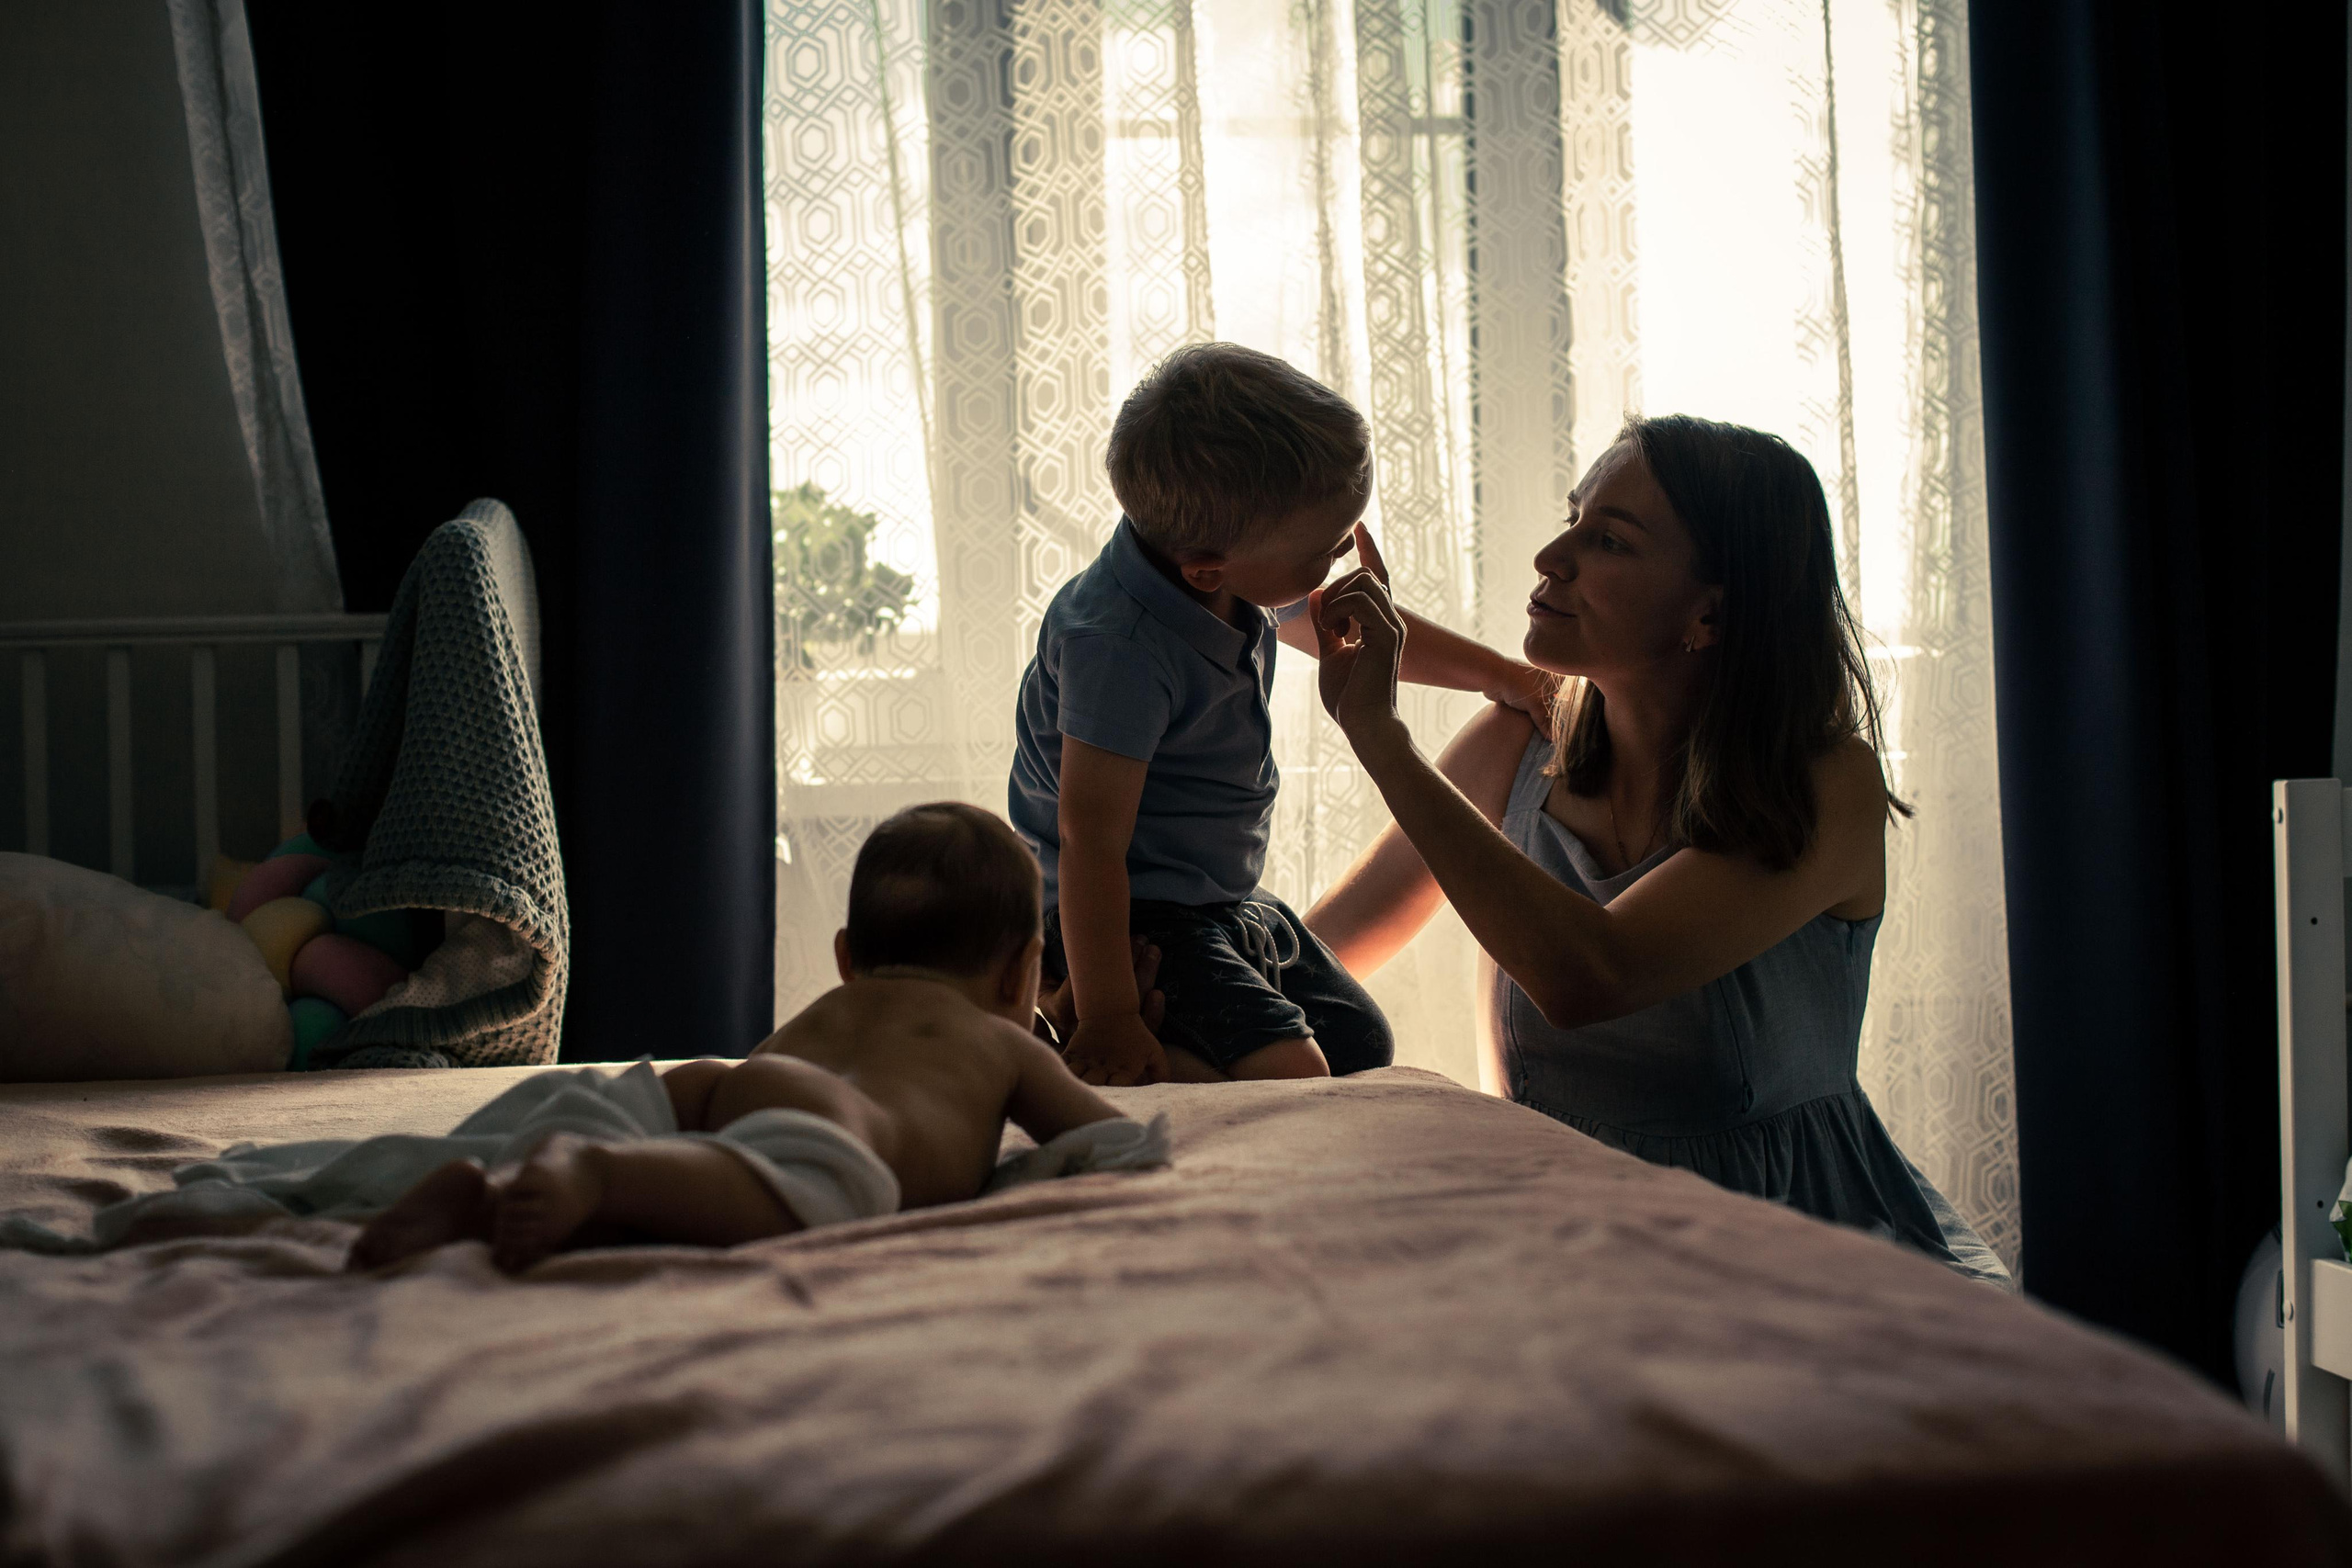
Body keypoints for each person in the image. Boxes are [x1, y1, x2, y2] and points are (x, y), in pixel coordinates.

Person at [1303, 414, 2008, 1284]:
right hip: (1569, 1238)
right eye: (1572, 518)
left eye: (1607, 540)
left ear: (1708, 613)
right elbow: (1320, 954)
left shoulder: (1828, 786)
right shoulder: (1513, 752)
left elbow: (1594, 974)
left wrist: (1379, 734)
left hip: (1790, 1255)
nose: (1551, 557)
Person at [1011, 342, 1556, 1088]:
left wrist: (1506, 677)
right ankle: (1075, 1035)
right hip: (1127, 916)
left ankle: (1189, 1045)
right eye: (1326, 552)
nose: (1340, 563)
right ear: (1207, 567)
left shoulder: (1217, 571)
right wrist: (1111, 1011)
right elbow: (1089, 841)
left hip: (1217, 897)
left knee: (1360, 1039)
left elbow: (1367, 623)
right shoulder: (1121, 647)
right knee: (1294, 1070)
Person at [349, 804, 1154, 1274]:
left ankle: (496, 1192)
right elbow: (1113, 1140)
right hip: (839, 1127)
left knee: (699, 1189)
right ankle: (596, 1167)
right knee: (824, 1193)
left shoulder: (834, 1012)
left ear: (846, 959)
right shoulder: (998, 1038)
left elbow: (768, 1077)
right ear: (1020, 976)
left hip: (722, 1082)